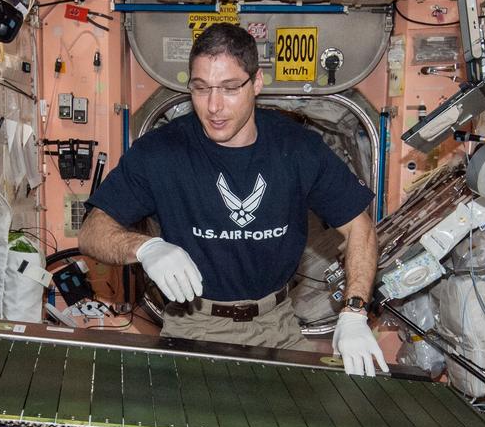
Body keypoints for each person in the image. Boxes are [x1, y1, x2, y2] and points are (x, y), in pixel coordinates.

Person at [80, 23, 387, 376]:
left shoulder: (298, 148)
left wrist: (354, 313)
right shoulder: (160, 152)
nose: (213, 106)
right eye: (200, 89)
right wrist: (146, 248)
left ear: (255, 84)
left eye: (229, 89)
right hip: (194, 324)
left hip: (278, 326)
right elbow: (91, 231)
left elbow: (359, 226)